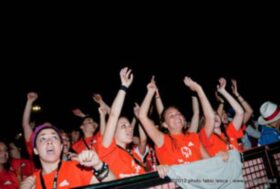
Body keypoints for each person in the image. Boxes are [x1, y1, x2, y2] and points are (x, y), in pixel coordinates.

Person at [138, 76, 215, 165]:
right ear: (165, 124)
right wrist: (151, 92)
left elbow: (211, 163)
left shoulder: (193, 137)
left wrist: (199, 90)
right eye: (172, 116)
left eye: (178, 114)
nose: (177, 117)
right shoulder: (162, 141)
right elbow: (142, 116)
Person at [20, 123, 115, 189]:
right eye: (43, 139)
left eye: (54, 137)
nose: (49, 141)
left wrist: (98, 165)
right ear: (36, 150)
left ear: (61, 147)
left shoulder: (77, 167)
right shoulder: (31, 182)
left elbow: (115, 186)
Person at [98, 67, 147, 179]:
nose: (130, 129)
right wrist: (123, 87)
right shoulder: (108, 149)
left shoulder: (135, 156)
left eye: (129, 126)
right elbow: (113, 115)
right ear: (112, 131)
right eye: (123, 126)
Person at [199, 78, 244, 156]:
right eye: (211, 116)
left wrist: (223, 91)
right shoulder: (205, 137)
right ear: (204, 123)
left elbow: (240, 112)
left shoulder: (229, 131)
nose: (214, 116)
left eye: (216, 113)